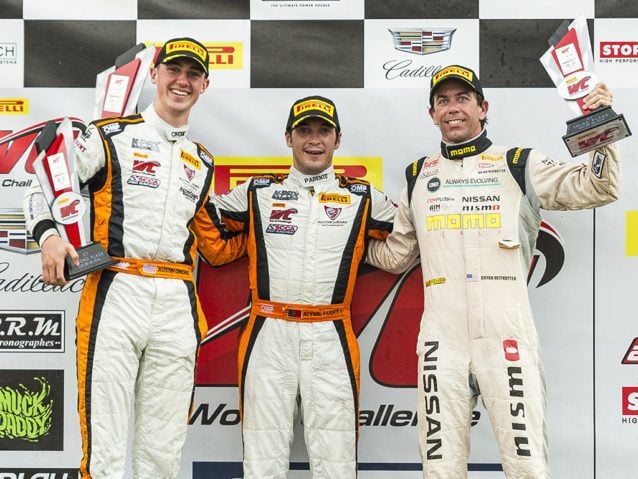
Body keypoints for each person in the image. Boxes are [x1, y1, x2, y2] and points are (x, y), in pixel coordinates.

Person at [366, 64, 621, 478]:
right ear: (432, 114)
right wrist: (343, 232)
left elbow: (599, 187)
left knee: (526, 464)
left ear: (483, 108)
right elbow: (395, 255)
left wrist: (601, 124)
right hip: (440, 340)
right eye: (443, 101)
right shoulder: (418, 175)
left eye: (462, 98)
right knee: (440, 466)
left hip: (506, 336)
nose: (453, 108)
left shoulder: (518, 164)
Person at [22, 37, 246, 478]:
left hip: (177, 302)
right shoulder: (112, 135)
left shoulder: (201, 161)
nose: (181, 81)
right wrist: (48, 236)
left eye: (192, 74)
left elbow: (214, 244)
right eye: (173, 70)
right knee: (104, 447)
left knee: (163, 452)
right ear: (154, 74)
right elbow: (43, 182)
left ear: (205, 83)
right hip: (115, 291)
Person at [211, 95, 397, 478]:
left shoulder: (361, 198)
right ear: (288, 138)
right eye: (304, 131)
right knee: (262, 454)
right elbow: (202, 221)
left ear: (337, 139)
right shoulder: (256, 192)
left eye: (323, 131)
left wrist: (367, 252)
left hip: (330, 333)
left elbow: (407, 240)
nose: (314, 140)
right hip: (268, 331)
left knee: (337, 456)